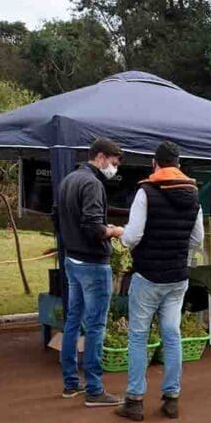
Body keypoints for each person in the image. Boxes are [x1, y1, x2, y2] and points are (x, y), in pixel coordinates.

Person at [115, 142, 203, 422]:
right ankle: (172, 398)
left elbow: (132, 237)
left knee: (139, 336)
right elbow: (197, 240)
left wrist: (119, 232)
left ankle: (134, 399)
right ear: (178, 165)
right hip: (177, 277)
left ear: (155, 164)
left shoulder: (146, 192)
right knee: (172, 334)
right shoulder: (193, 195)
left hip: (148, 275)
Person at [56, 137, 125, 407]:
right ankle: (95, 389)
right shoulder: (93, 184)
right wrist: (115, 231)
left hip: (72, 259)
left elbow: (58, 216)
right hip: (93, 263)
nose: (114, 168)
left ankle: (71, 383)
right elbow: (94, 227)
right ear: (101, 156)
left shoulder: (69, 180)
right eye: (114, 162)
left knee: (73, 321)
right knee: (96, 325)